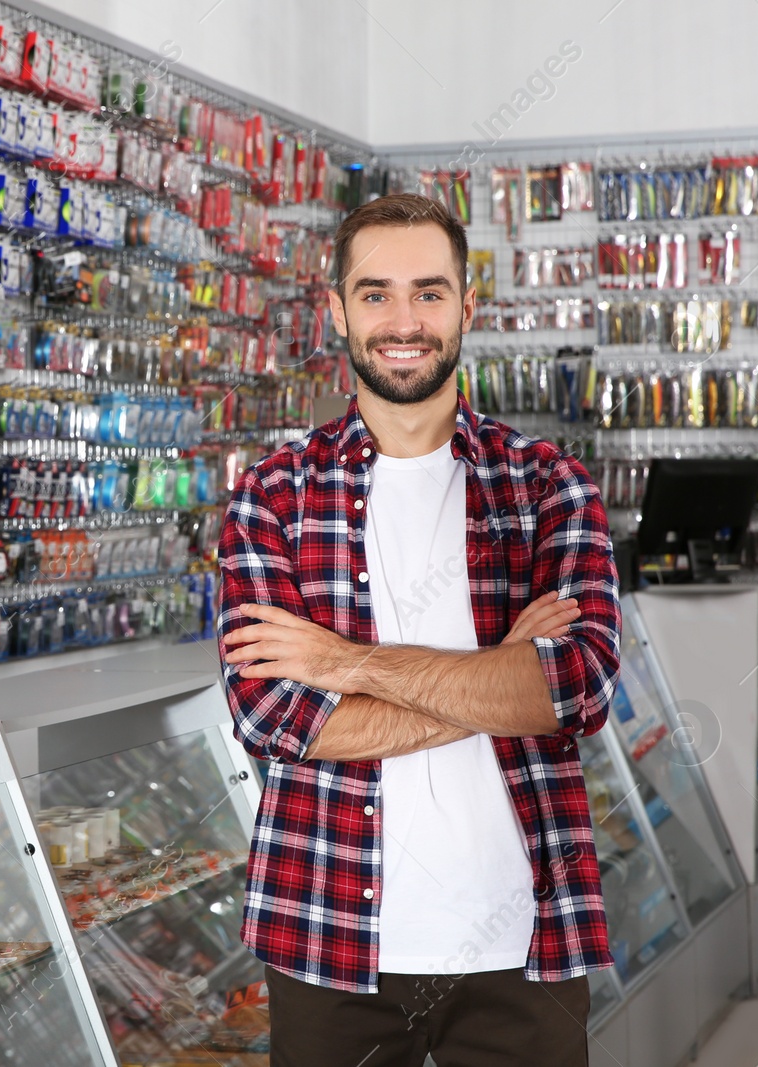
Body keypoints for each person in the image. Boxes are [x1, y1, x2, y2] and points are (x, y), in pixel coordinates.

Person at [216, 192, 620, 1067]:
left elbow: (577, 688)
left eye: (430, 293)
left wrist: (342, 661)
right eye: (377, 294)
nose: (405, 321)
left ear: (469, 307)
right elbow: (273, 720)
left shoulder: (549, 485)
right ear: (337, 310)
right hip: (330, 937)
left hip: (523, 939)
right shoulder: (273, 496)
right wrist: (503, 675)